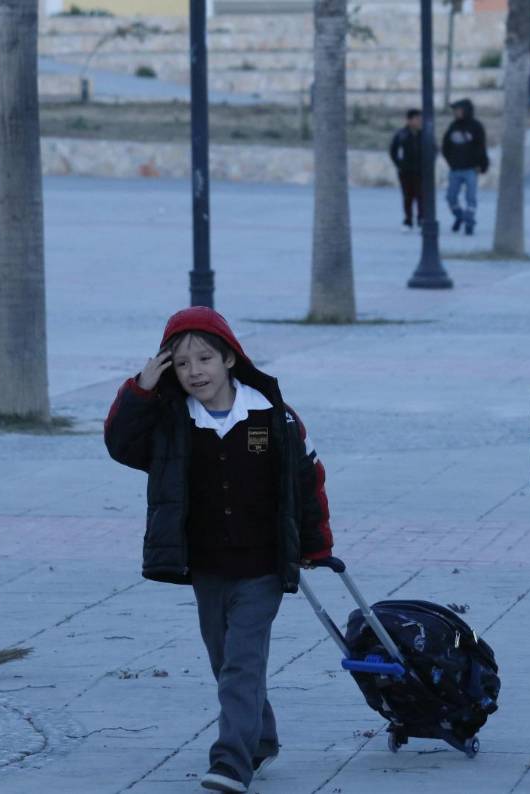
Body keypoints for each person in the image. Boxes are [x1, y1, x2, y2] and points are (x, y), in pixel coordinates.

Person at [104, 307, 334, 794]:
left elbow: (305, 481)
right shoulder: (171, 424)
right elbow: (121, 444)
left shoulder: (272, 417)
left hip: (262, 567)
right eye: (182, 364)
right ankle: (262, 736)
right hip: (206, 566)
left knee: (241, 663)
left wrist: (315, 546)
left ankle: (231, 761)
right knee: (224, 659)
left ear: (230, 357)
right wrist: (140, 388)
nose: (195, 372)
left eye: (205, 358)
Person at [441, 98, 489, 235]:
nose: (456, 113)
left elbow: (481, 147)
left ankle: (469, 221)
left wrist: (482, 165)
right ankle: (460, 216)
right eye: (455, 110)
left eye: (459, 110)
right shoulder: (453, 126)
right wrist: (451, 162)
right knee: (451, 197)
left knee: (471, 198)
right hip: (455, 169)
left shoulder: (476, 127)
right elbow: (446, 146)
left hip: (471, 169)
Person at [389, 108, 424, 232]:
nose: (419, 121)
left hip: (421, 171)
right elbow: (393, 151)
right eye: (417, 119)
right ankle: (408, 220)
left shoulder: (424, 134)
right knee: (407, 196)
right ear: (409, 120)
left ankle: (421, 219)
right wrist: (400, 165)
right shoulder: (401, 134)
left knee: (421, 196)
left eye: (420, 119)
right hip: (406, 171)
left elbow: (433, 150)